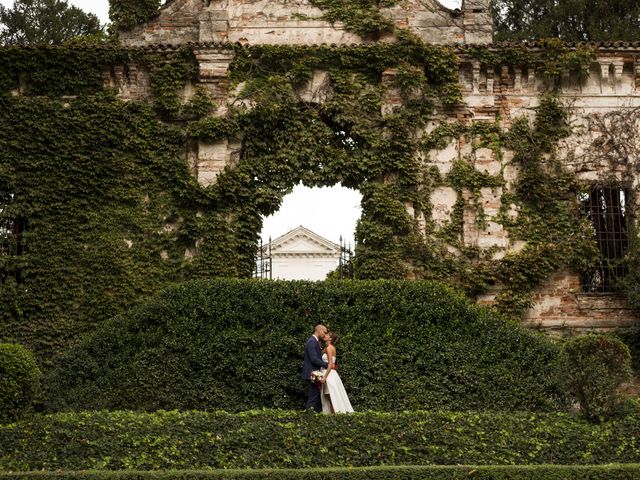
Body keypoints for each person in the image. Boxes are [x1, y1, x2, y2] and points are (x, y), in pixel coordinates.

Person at [320, 331, 354, 414]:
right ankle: (334, 415)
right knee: (329, 395)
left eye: (327, 335)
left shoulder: (329, 348)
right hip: (332, 374)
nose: (325, 335)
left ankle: (336, 414)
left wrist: (324, 377)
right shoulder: (330, 347)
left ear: (330, 338)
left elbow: (331, 364)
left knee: (331, 396)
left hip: (329, 375)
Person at [301, 324, 329, 412]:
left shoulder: (315, 341)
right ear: (319, 330)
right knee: (313, 397)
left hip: (314, 373)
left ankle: (315, 416)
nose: (325, 335)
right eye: (324, 332)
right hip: (312, 373)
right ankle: (309, 417)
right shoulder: (312, 342)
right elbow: (314, 359)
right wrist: (327, 365)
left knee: (316, 396)